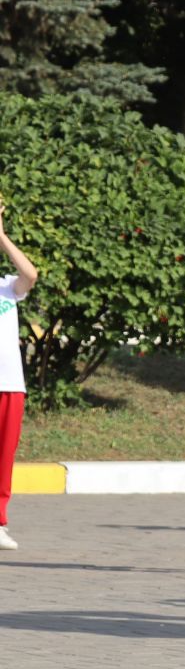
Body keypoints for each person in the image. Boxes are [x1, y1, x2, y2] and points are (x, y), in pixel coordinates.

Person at [0, 198, 37, 551]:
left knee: (4, 456)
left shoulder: (8, 286)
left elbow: (31, 274)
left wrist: (2, 235)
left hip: (10, 384)